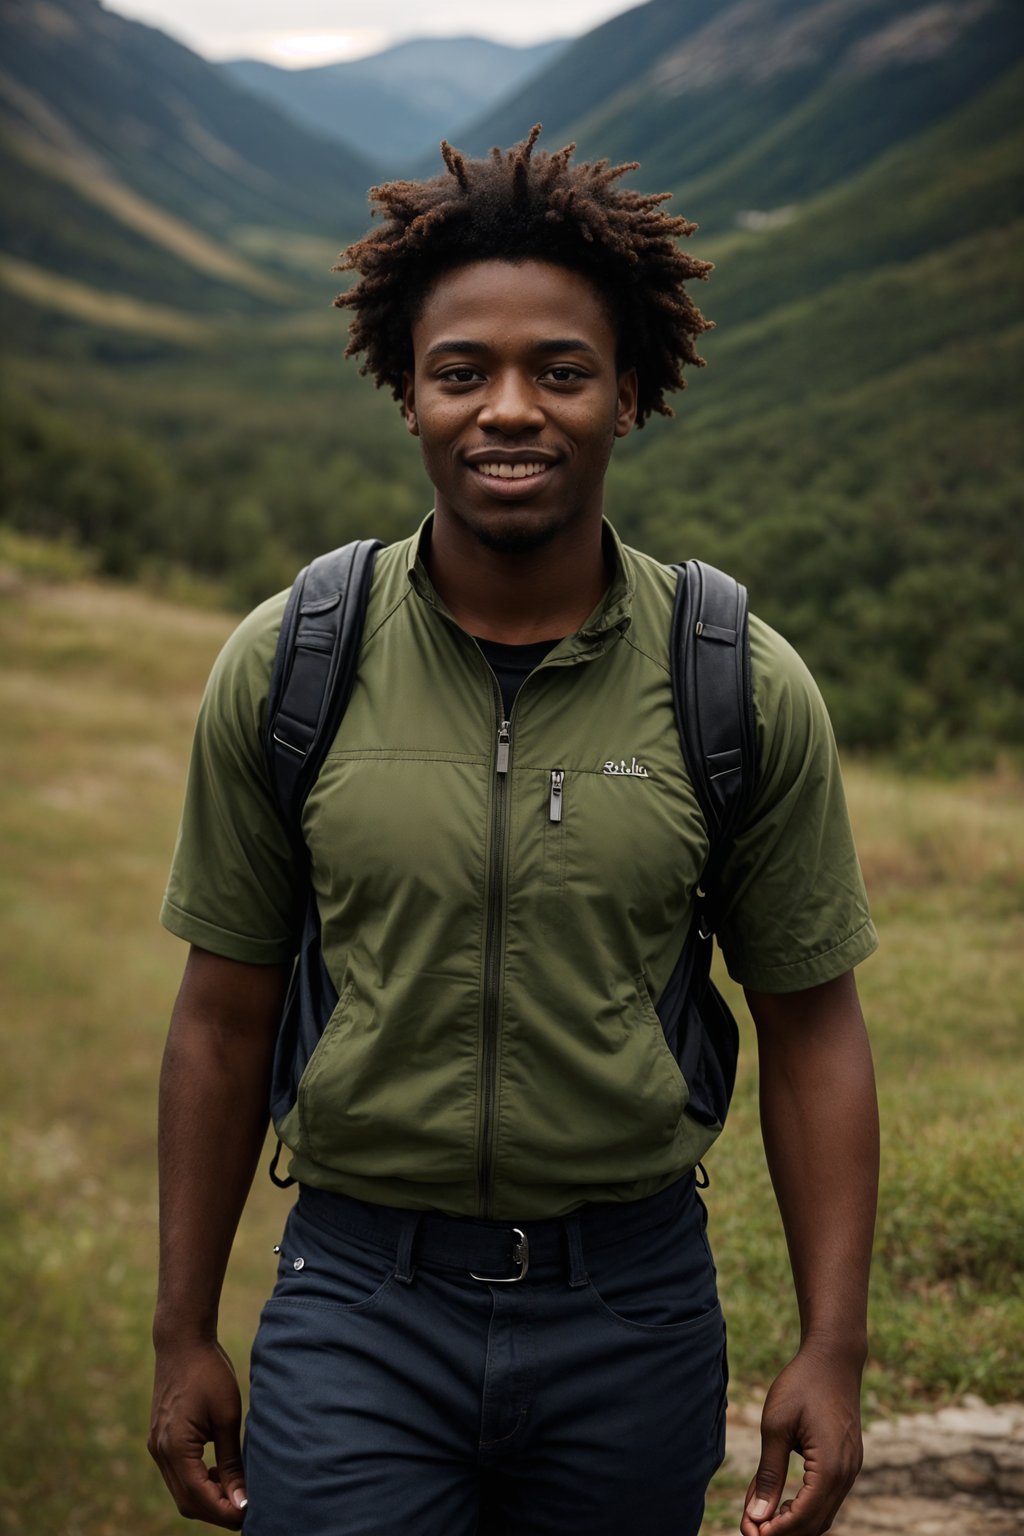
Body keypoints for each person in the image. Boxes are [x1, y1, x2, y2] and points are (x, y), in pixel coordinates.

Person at [148, 126, 879, 1536]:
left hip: (635, 1306)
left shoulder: (733, 680)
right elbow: (222, 1020)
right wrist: (183, 1331)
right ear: (407, 394)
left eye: (560, 370)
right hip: (360, 1298)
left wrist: (832, 1349)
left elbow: (815, 1030)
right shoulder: (292, 661)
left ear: (627, 395)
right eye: (461, 372)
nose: (508, 410)